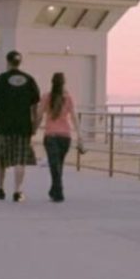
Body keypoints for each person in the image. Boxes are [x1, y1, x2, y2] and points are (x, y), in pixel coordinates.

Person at [0, 51, 40, 202]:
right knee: (20, 159)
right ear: (20, 62)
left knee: (2, 159)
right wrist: (34, 125)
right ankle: (17, 192)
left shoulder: (1, 79)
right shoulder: (30, 80)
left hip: (4, 126)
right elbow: (35, 106)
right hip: (23, 127)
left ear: (8, 62)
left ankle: (0, 188)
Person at [39, 72, 82, 203]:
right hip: (65, 136)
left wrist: (33, 128)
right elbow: (74, 118)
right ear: (64, 83)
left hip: (51, 135)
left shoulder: (47, 97)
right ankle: (55, 189)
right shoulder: (67, 98)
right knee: (58, 164)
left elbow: (39, 114)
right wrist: (79, 135)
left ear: (52, 82)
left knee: (54, 164)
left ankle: (58, 190)